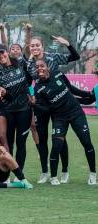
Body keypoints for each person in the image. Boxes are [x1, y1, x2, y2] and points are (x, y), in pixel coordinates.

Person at [27, 35, 89, 184]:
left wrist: (67, 44)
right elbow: (28, 82)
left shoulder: (53, 57)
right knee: (42, 138)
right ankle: (44, 172)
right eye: (32, 46)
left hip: (58, 106)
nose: (35, 48)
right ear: (29, 48)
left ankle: (65, 171)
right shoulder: (29, 64)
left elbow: (75, 56)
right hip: (42, 104)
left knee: (60, 139)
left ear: (42, 46)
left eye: (37, 45)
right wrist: (31, 98)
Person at [34, 59, 96, 185]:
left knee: (86, 142)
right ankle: (53, 177)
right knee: (56, 145)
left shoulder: (58, 74)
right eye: (37, 67)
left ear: (47, 67)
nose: (40, 68)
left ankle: (93, 174)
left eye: (42, 66)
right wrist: (34, 104)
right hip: (59, 117)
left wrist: (88, 94)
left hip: (76, 112)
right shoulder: (39, 88)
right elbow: (46, 109)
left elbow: (71, 89)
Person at [0, 44, 33, 176]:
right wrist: (3, 93)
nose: (0, 56)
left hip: (25, 109)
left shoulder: (20, 62)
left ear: (7, 52)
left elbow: (30, 80)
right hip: (8, 111)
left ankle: (19, 173)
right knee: (8, 142)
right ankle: (8, 172)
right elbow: (2, 94)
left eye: (2, 53)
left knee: (21, 143)